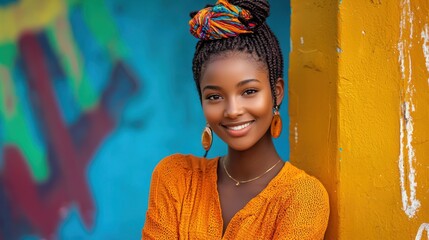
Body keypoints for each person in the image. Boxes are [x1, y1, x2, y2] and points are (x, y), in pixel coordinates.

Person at [142, 0, 329, 239]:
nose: (232, 110)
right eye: (215, 96)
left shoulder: (303, 197)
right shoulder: (175, 177)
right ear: (201, 101)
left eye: (249, 91)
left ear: (277, 92)